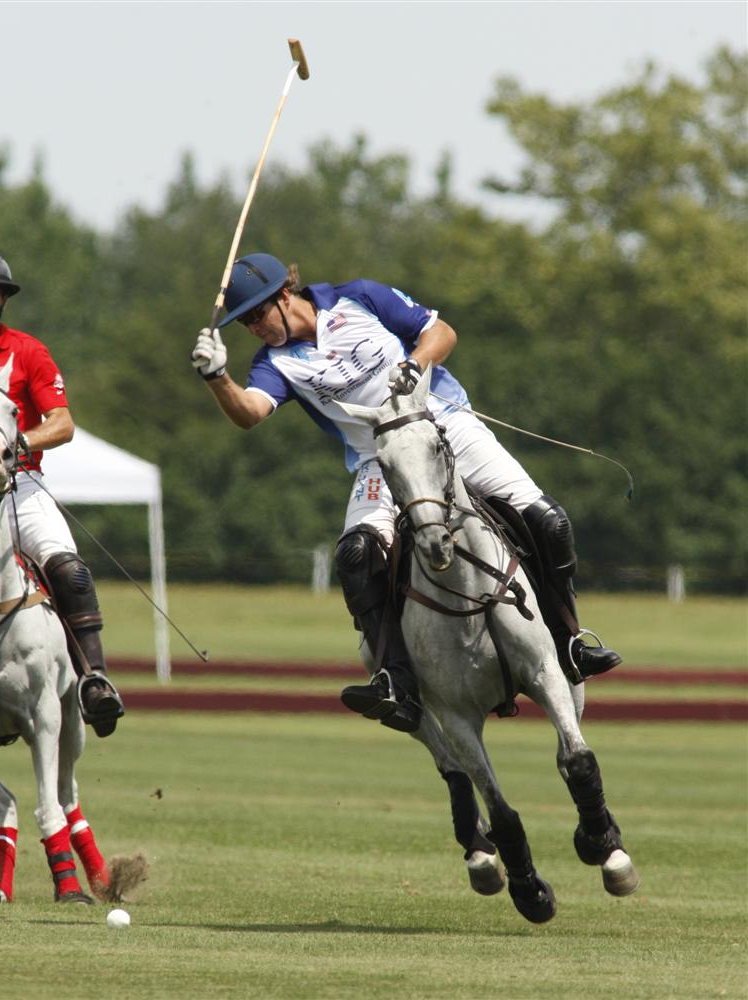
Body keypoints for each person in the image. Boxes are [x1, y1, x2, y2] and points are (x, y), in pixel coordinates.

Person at [191, 252, 621, 733]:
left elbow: (443, 333)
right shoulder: (276, 363)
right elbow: (249, 413)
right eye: (244, 322)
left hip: (445, 426)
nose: (253, 328)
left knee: (549, 521)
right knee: (356, 554)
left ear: (284, 295)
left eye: (256, 314)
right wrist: (217, 377)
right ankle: (394, 679)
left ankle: (568, 641)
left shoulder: (359, 297)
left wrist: (416, 365)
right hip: (379, 458)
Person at [0, 249, 124, 738]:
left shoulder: (28, 351)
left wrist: (17, 444)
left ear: (3, 299)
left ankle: (94, 680)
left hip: (18, 485)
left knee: (68, 567)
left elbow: (62, 423)